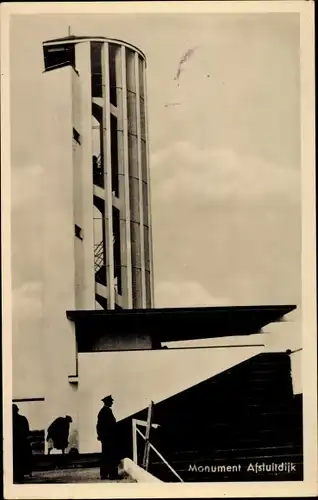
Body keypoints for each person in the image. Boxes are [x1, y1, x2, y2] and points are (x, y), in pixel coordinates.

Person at [96, 395, 119, 480]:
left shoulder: (102, 411)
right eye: (111, 401)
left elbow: (98, 426)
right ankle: (112, 474)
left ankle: (104, 474)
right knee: (111, 455)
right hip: (109, 438)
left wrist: (100, 436)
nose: (112, 402)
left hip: (105, 438)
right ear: (108, 402)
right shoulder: (107, 411)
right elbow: (110, 425)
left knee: (105, 456)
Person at [12, 404, 32, 482]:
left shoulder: (9, 420)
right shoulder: (23, 419)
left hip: (18, 443)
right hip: (20, 443)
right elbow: (27, 431)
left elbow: (26, 431)